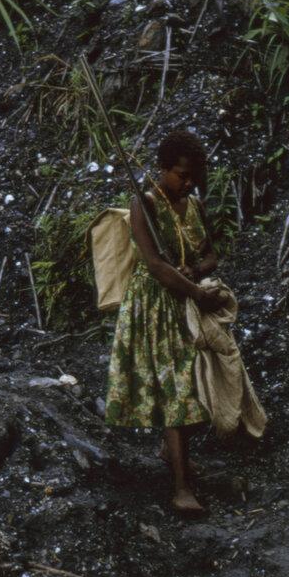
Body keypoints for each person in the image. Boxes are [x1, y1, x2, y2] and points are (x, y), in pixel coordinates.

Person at [104, 129, 224, 517]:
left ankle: (174, 455)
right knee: (178, 390)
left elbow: (211, 255)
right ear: (162, 169)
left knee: (193, 383)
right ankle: (180, 488)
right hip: (154, 306)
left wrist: (195, 270)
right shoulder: (146, 206)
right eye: (180, 175)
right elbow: (155, 265)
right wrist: (192, 289)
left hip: (187, 302)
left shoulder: (195, 205)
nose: (188, 183)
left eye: (193, 177)